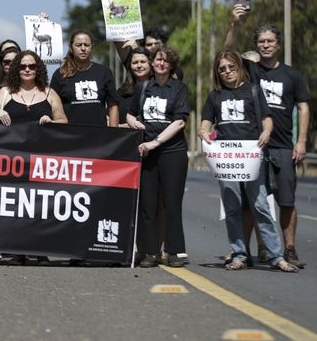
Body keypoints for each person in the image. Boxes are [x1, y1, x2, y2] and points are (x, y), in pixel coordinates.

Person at [198, 51, 298, 272]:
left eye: (231, 67)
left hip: (252, 157)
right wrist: (203, 131)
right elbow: (206, 122)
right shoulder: (215, 96)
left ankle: (276, 256)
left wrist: (266, 133)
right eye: (222, 69)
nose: (227, 72)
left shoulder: (253, 90)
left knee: (260, 205)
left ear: (239, 67)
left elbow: (267, 119)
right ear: (218, 72)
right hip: (226, 160)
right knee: (232, 207)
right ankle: (240, 254)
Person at [225, 8, 310, 268]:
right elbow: (228, 52)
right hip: (253, 146)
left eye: (270, 40)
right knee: (250, 202)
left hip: (283, 145)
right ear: (256, 46)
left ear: (278, 44)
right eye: (261, 41)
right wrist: (235, 23)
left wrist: (302, 141)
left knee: (286, 201)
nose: (265, 45)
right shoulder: (250, 70)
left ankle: (290, 249)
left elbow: (304, 108)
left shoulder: (292, 75)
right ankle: (244, 252)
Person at [0, 50, 67, 266]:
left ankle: (40, 250)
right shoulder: (5, 92)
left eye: (31, 66)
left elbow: (64, 121)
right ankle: (17, 250)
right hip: (11, 160)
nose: (27, 70)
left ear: (38, 69)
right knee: (15, 205)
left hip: (41, 160)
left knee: (40, 206)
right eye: (23, 66)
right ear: (16, 69)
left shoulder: (49, 93)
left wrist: (51, 121)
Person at [126, 46, 189, 268]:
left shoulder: (179, 88)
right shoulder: (144, 87)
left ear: (171, 65)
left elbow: (180, 121)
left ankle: (175, 251)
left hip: (172, 152)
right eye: (158, 60)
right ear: (152, 63)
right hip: (147, 154)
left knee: (171, 204)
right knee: (147, 204)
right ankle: (149, 252)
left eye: (165, 61)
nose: (161, 63)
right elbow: (130, 113)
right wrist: (135, 123)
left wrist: (156, 142)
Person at [50, 30, 119, 126]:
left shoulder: (104, 72)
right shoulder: (60, 74)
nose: (83, 48)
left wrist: (114, 135)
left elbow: (113, 106)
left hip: (99, 136)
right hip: (69, 136)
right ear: (71, 48)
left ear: (92, 47)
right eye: (78, 45)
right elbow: (52, 106)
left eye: (86, 45)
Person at [117, 47, 152, 126]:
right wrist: (123, 127)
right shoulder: (122, 92)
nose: (139, 65)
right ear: (130, 66)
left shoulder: (159, 89)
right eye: (135, 62)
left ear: (150, 63)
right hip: (126, 136)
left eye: (143, 62)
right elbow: (108, 118)